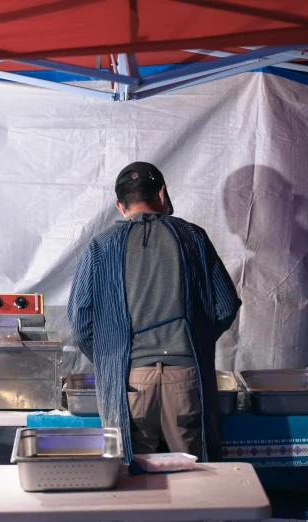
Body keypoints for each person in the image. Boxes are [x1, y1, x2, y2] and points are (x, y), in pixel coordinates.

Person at [68, 161, 241, 464]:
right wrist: (194, 340)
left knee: (131, 481)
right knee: (195, 476)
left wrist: (113, 357)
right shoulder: (193, 237)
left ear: (120, 205)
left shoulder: (100, 246)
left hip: (130, 381)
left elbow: (81, 326)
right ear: (162, 193)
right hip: (186, 378)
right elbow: (225, 306)